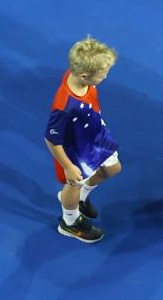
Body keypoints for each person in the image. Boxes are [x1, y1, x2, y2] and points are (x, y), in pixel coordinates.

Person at [44, 37, 121, 243]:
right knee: (73, 184)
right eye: (103, 74)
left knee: (112, 169)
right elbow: (51, 139)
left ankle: (80, 198)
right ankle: (69, 222)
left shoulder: (77, 75)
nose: (106, 76)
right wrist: (68, 166)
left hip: (96, 136)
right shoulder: (65, 106)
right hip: (77, 151)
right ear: (85, 76)